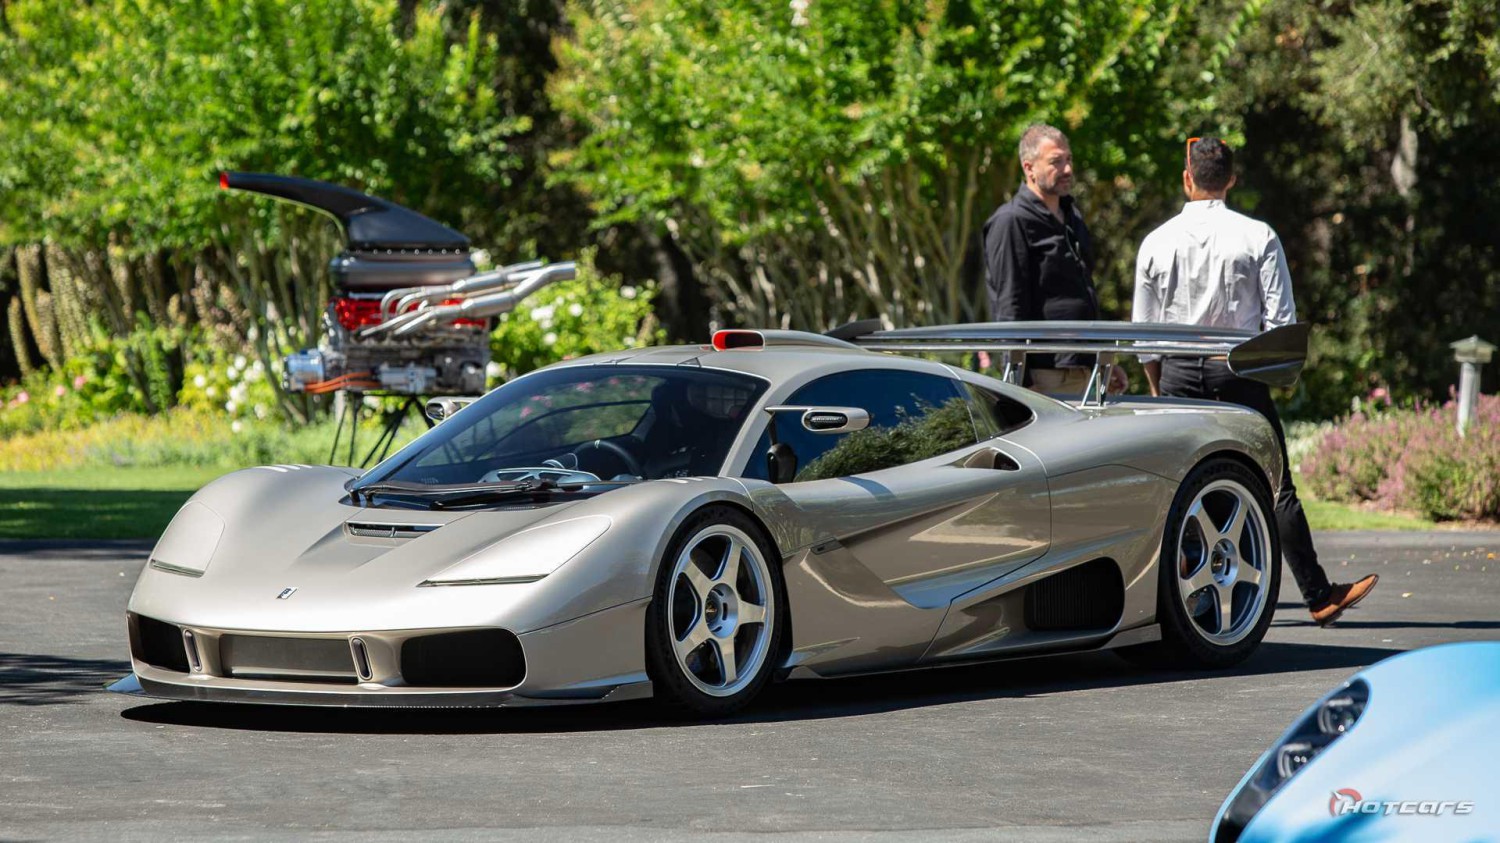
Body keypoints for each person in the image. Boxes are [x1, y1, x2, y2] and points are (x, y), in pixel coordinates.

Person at [1133, 136, 1378, 626]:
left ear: (1187, 179)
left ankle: (1169, 602)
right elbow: (1281, 322)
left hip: (1179, 371)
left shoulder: (1156, 241)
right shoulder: (1257, 235)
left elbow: (1145, 335)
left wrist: (1160, 389)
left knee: (1178, 489)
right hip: (1237, 368)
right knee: (1274, 485)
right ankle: (1317, 594)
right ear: (1231, 180)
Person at [983, 123, 1125, 395]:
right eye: (1056, 162)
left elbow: (1084, 292)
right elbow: (1009, 307)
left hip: (1088, 368)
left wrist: (1105, 360)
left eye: (1069, 159)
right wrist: (1020, 384)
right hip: (1045, 376)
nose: (1068, 169)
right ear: (1029, 168)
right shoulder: (1011, 221)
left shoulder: (1072, 215)